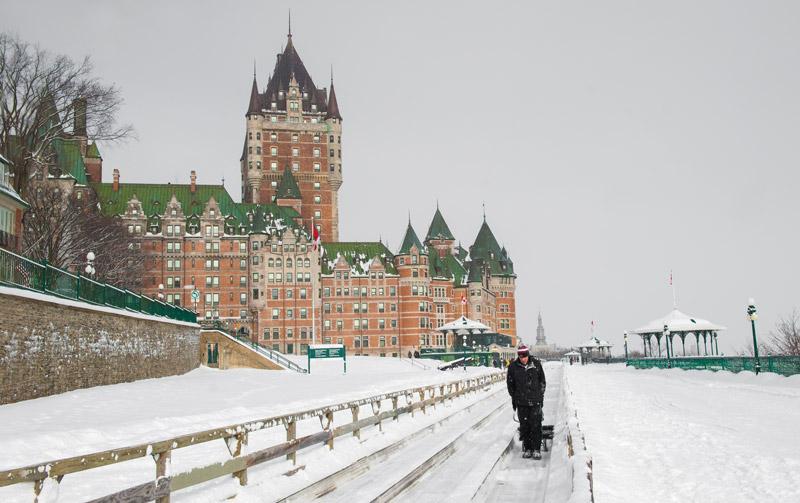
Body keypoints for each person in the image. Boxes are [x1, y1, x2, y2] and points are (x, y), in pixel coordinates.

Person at [506, 344, 546, 459]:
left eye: (525, 356)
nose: (523, 359)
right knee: (525, 426)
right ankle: (528, 448)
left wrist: (540, 396)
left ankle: (536, 449)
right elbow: (510, 384)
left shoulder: (536, 365)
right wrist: (515, 397)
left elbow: (542, 381)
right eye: (521, 356)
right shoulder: (513, 367)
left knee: (536, 425)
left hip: (535, 401)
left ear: (528, 355)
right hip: (521, 402)